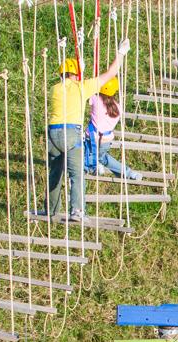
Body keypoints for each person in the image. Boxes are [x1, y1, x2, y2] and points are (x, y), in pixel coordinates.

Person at [47, 39, 130, 222]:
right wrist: (121, 53)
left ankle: (51, 209)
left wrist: (80, 73)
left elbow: (72, 83)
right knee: (76, 173)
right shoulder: (82, 87)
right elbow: (110, 73)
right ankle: (77, 210)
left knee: (55, 172)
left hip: (53, 133)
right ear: (77, 74)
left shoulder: (54, 89)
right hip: (71, 132)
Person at [84, 77, 143, 181]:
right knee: (103, 157)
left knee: (84, 155)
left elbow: (87, 92)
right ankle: (129, 173)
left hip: (92, 137)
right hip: (106, 140)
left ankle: (95, 167)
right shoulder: (118, 108)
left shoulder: (95, 99)